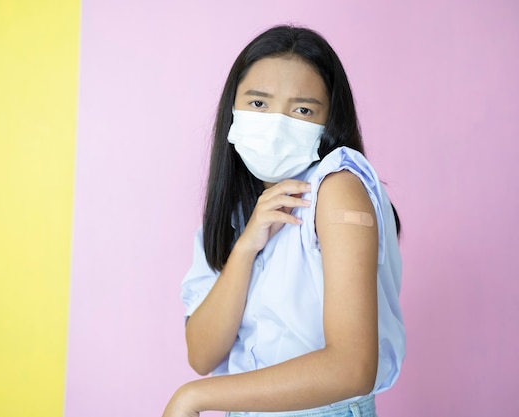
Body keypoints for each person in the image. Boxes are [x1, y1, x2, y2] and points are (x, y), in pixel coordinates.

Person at [163, 25, 405, 417]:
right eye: (258, 104)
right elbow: (202, 354)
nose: (276, 123)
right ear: (233, 111)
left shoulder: (337, 188)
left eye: (302, 110)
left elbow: (353, 367)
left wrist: (196, 396)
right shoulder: (234, 214)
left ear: (329, 123)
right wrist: (245, 248)